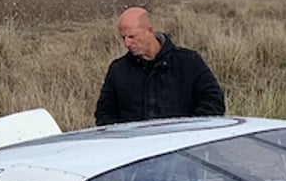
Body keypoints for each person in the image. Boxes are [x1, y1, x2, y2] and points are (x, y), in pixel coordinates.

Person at [94, 7, 226, 126]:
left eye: (132, 36)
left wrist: (188, 131)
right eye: (123, 38)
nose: (127, 43)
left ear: (149, 31)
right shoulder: (118, 70)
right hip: (136, 147)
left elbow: (213, 102)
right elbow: (104, 114)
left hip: (183, 145)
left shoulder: (189, 62)